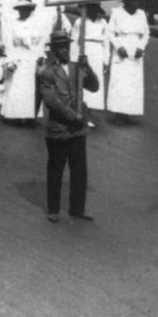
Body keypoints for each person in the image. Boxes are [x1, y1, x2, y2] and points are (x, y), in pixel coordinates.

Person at [39, 30, 99, 223]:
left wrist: (87, 67)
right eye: (61, 47)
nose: (66, 50)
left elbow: (94, 86)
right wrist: (73, 116)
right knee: (56, 170)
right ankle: (53, 208)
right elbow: (51, 101)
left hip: (77, 130)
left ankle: (77, 209)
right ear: (55, 50)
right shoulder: (47, 72)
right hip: (59, 128)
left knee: (79, 171)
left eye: (67, 46)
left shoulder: (76, 68)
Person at [105, 0, 148, 123]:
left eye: (137, 0)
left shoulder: (141, 14)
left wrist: (141, 46)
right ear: (127, 2)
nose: (137, 3)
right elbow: (110, 33)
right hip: (122, 51)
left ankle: (128, 111)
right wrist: (118, 47)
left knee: (133, 84)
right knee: (120, 83)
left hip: (135, 50)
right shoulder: (117, 14)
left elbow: (146, 33)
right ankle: (119, 113)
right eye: (134, 0)